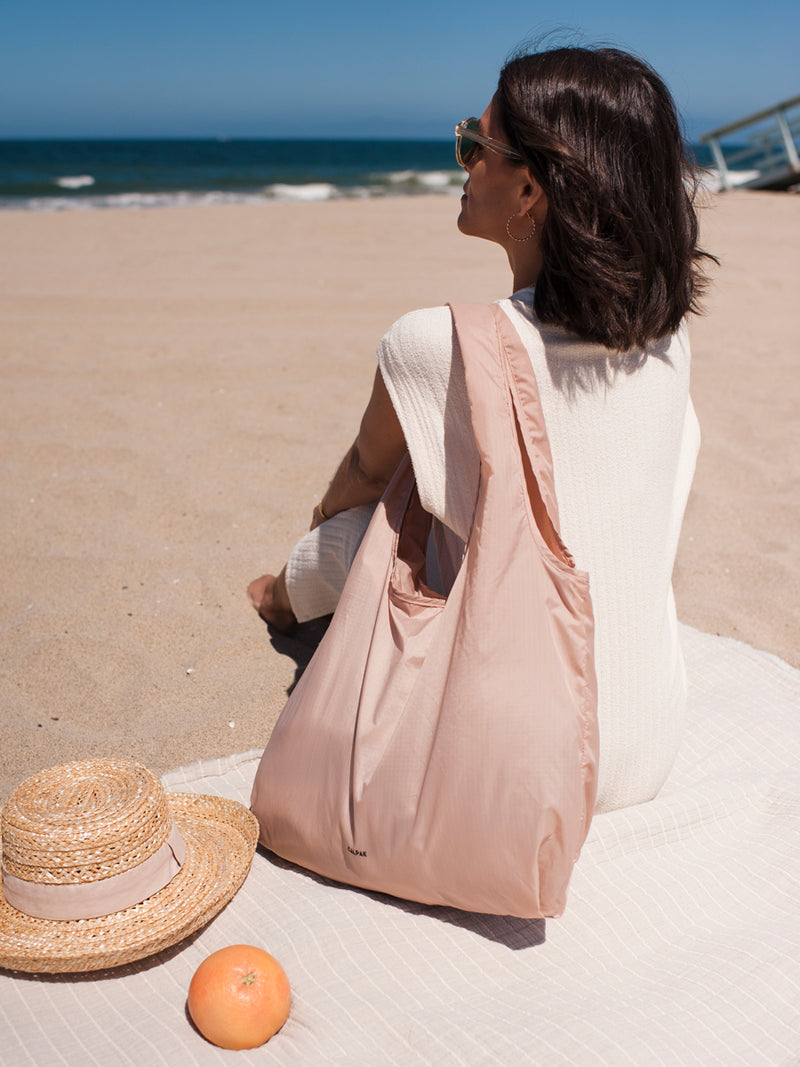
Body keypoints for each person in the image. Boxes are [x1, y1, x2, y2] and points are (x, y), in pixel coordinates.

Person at [247, 45, 714, 813]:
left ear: (528, 186)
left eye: (475, 143)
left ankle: (280, 599)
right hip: (648, 747)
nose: (462, 163)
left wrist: (312, 546)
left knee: (376, 517)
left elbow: (358, 483)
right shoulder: (669, 342)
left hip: (512, 773)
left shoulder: (438, 343)